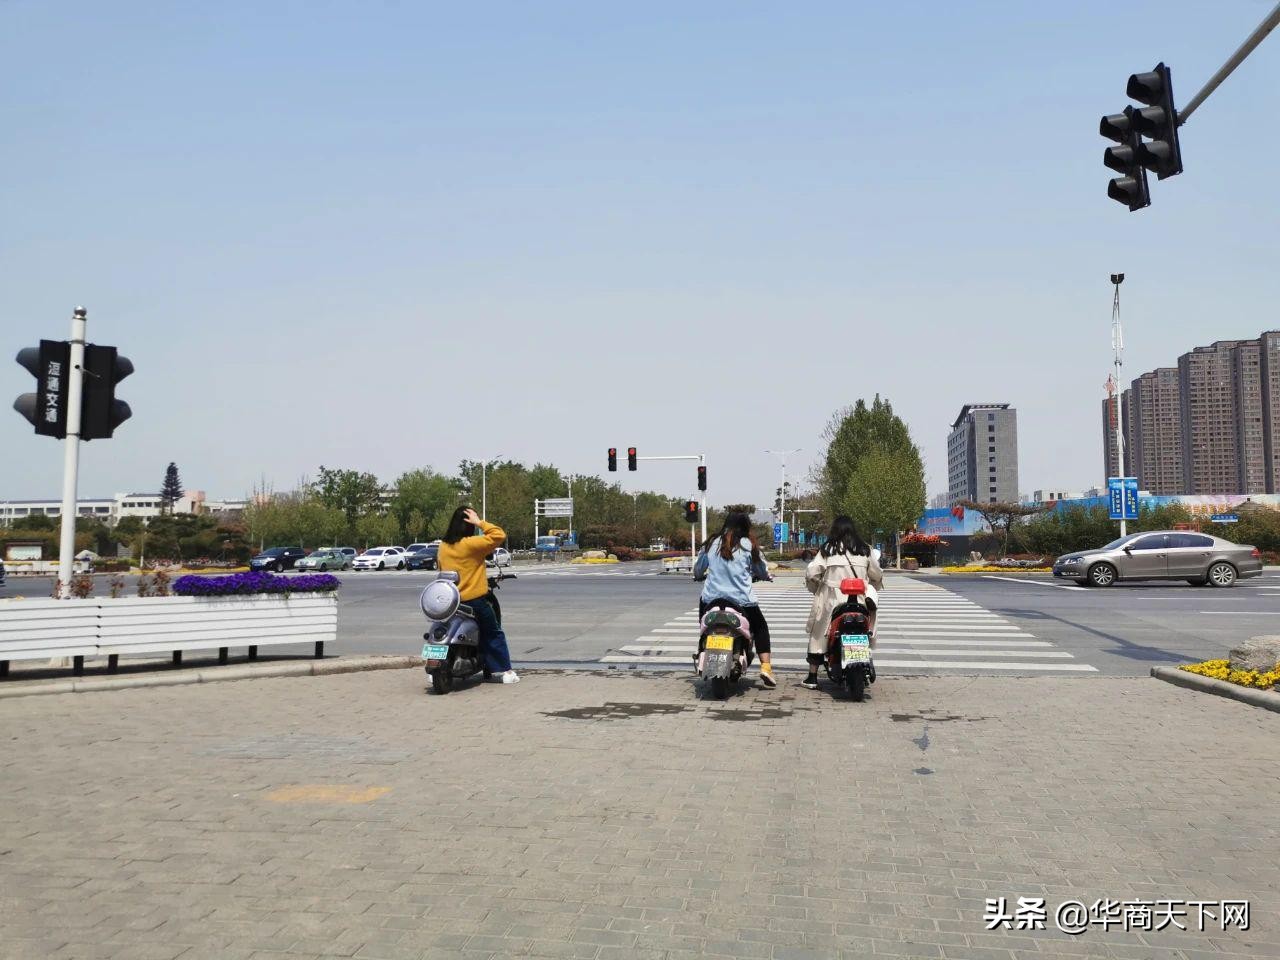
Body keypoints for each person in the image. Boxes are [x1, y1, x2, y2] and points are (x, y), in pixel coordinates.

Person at [693, 512, 776, 688]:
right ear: (746, 527)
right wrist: (765, 576)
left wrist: (699, 575)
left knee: (704, 625)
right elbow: (761, 569)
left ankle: (701, 649)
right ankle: (766, 667)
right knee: (760, 627)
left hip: (711, 600)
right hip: (742, 602)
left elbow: (698, 569)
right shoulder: (748, 545)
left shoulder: (711, 543)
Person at [437, 506, 519, 684]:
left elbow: (441, 569)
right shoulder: (472, 544)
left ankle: (436, 666)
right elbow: (499, 534)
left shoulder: (443, 546)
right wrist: (480, 522)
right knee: (493, 632)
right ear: (469, 525)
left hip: (449, 601)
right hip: (473, 600)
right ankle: (506, 671)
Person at [802, 515, 883, 690]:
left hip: (832, 601)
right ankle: (865, 651)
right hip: (860, 600)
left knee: (818, 635)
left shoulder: (828, 549)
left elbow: (812, 573)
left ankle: (812, 677)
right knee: (868, 624)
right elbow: (877, 574)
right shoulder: (864, 549)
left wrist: (817, 586)